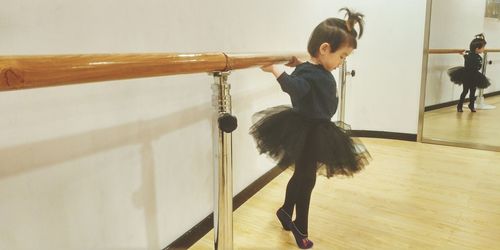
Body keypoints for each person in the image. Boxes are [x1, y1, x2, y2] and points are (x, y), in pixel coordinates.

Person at [249, 8, 371, 249]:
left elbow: (308, 74)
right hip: (307, 132)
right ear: (324, 49)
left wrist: (299, 63)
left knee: (304, 176)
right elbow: (295, 87)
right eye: (342, 56)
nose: (342, 62)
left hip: (318, 130)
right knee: (306, 178)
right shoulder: (312, 72)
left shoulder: (316, 69)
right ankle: (300, 226)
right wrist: (275, 69)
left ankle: (285, 211)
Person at [447, 34, 491, 112]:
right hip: (467, 75)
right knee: (465, 91)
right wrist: (463, 54)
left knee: (473, 92)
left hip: (475, 76)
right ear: (477, 49)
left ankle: (471, 105)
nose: (484, 49)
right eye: (483, 48)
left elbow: (478, 65)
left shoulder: (478, 56)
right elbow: (467, 58)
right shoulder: (469, 55)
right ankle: (459, 106)